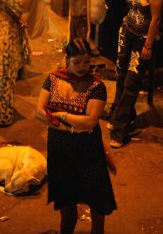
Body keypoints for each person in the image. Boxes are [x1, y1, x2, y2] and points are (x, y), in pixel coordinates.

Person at [36, 38, 117, 234]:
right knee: (66, 202)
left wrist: (59, 115)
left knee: (97, 203)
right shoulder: (53, 79)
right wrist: (70, 127)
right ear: (67, 59)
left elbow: (89, 121)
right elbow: (39, 111)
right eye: (77, 62)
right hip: (60, 151)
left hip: (88, 152)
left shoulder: (96, 87)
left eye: (86, 62)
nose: (82, 67)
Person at [109, 0, 163, 148]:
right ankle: (122, 116)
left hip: (142, 40)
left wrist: (148, 45)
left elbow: (156, 18)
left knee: (132, 83)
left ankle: (119, 130)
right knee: (121, 76)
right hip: (126, 32)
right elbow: (130, 6)